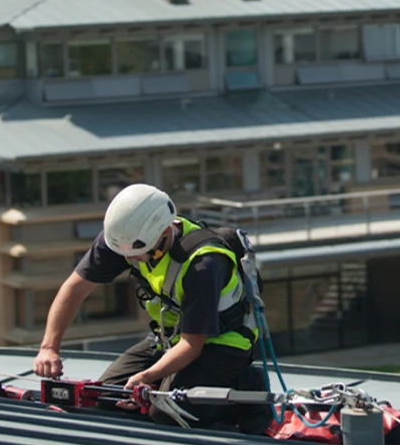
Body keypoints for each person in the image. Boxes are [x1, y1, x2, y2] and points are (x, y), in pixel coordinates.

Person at [32, 183, 262, 428]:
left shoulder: (203, 264)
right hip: (170, 337)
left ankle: (243, 391)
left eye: (138, 253)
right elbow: (75, 289)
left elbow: (192, 345)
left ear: (163, 232)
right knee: (102, 398)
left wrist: (146, 377)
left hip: (222, 343)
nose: (129, 259)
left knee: (169, 414)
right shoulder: (124, 239)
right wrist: (49, 348)